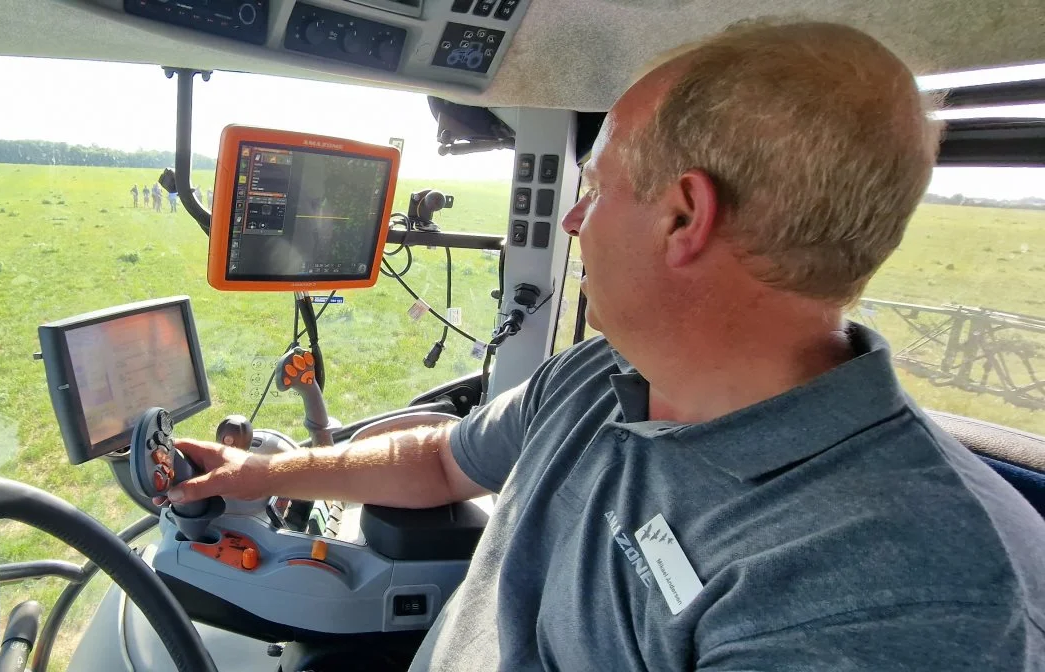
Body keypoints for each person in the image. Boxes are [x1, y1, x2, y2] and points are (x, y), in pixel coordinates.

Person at [157, 20, 1045, 670]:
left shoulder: (909, 602)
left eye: (597, 186)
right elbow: (439, 461)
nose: (574, 220)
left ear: (684, 216)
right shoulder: (603, 371)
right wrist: (257, 476)